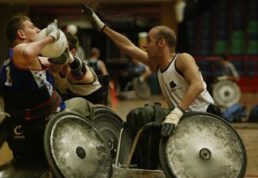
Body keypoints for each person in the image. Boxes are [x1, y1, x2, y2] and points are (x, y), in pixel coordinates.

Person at [82, 4, 221, 168]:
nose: (145, 45)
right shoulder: (157, 65)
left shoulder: (183, 59)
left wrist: (176, 113)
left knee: (142, 115)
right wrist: (102, 27)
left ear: (161, 43)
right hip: (182, 120)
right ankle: (130, 162)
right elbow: (129, 47)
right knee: (138, 118)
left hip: (205, 120)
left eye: (149, 40)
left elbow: (197, 85)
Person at [0, 15, 94, 164]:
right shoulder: (20, 50)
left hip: (24, 124)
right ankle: (90, 154)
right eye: (32, 27)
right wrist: (51, 37)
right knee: (84, 104)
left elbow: (50, 64)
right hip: (48, 120)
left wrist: (65, 57)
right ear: (21, 34)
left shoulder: (9, 61)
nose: (37, 29)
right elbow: (26, 53)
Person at [51, 33, 108, 105]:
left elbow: (78, 70)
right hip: (71, 103)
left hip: (92, 105)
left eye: (61, 48)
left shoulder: (75, 67)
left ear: (72, 51)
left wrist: (70, 58)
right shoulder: (52, 65)